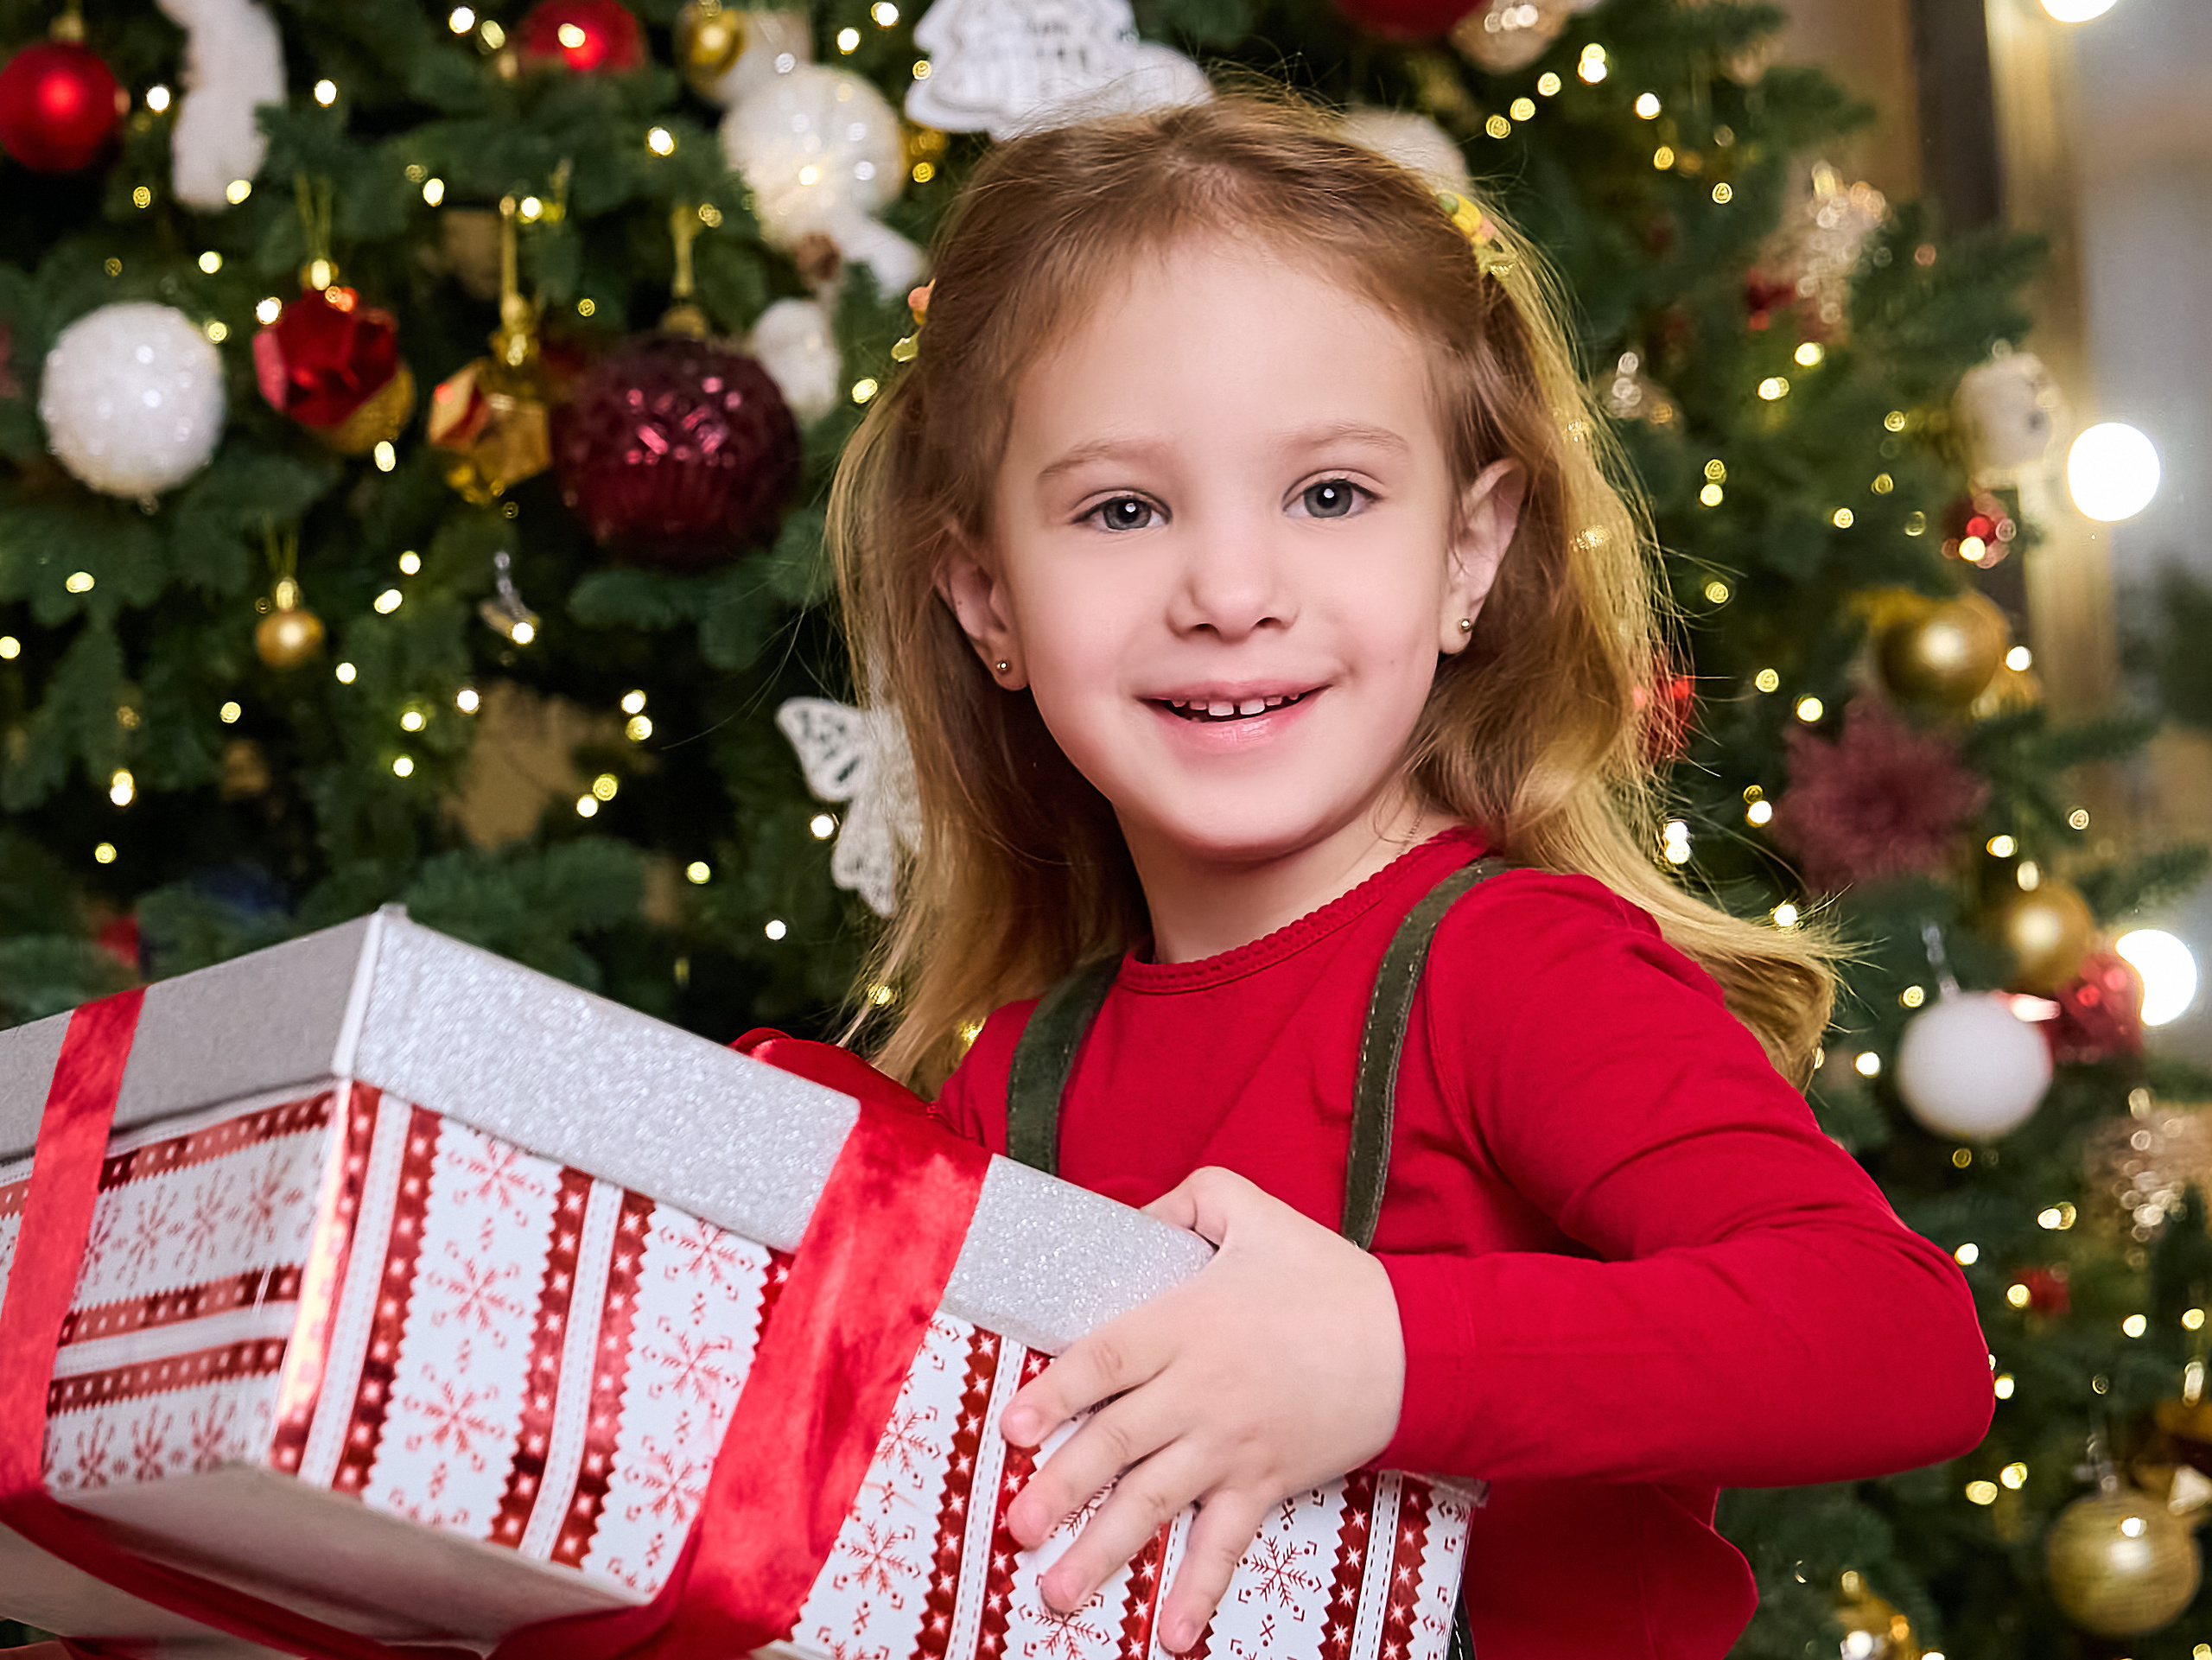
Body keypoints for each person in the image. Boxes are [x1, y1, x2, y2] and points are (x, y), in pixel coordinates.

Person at [822, 93, 1993, 1660]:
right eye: (1122, 508)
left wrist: (1385, 1355)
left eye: (1330, 495)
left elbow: (1895, 1338)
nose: (1231, 591)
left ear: (1468, 553)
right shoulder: (1012, 1080)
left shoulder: (1516, 969)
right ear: (988, 604)